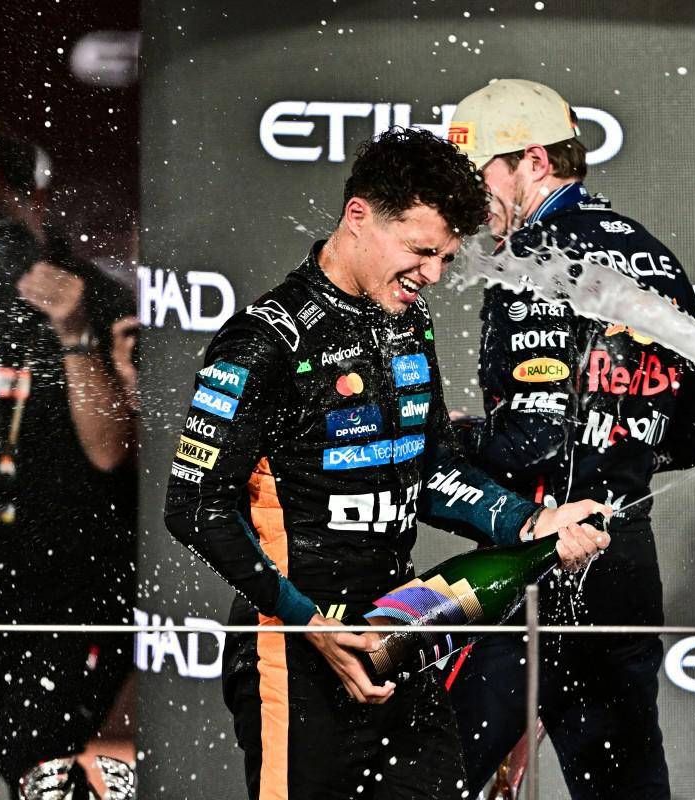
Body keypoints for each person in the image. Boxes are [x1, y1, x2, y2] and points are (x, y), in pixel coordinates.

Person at [163, 127, 610, 800]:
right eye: (422, 251)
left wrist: (530, 522)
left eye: (446, 258)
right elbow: (194, 506)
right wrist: (310, 623)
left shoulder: (408, 319)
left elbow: (428, 471)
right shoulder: (264, 340)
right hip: (292, 648)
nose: (433, 275)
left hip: (400, 629)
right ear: (359, 216)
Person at [441, 79, 695, 799]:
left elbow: (536, 441)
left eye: (477, 175)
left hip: (542, 560)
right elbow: (687, 439)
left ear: (533, 161)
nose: (465, 199)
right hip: (623, 568)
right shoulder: (655, 256)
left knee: (424, 779)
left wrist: (453, 442)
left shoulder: (532, 257)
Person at [0, 129, 138, 796]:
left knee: (33, 770)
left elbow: (109, 450)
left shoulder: (94, 299)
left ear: (35, 201)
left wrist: (73, 334)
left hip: (65, 594)